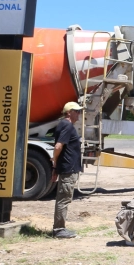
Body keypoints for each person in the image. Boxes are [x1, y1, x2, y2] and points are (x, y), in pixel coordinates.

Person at [51, 102, 83, 239]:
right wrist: (54, 161)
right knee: (63, 199)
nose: (79, 114)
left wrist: (55, 168)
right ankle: (59, 229)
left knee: (63, 198)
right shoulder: (67, 126)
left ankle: (59, 228)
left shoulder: (64, 125)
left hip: (67, 167)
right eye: (77, 111)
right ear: (69, 112)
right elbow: (59, 146)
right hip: (69, 169)